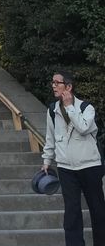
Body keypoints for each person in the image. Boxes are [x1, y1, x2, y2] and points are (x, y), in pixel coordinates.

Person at [42, 71, 105, 246]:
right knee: (71, 212)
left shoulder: (86, 108)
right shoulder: (52, 110)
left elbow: (83, 128)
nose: (53, 86)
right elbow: (50, 138)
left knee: (98, 210)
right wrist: (47, 160)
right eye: (52, 82)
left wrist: (70, 107)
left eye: (57, 82)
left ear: (68, 86)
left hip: (90, 166)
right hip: (66, 168)